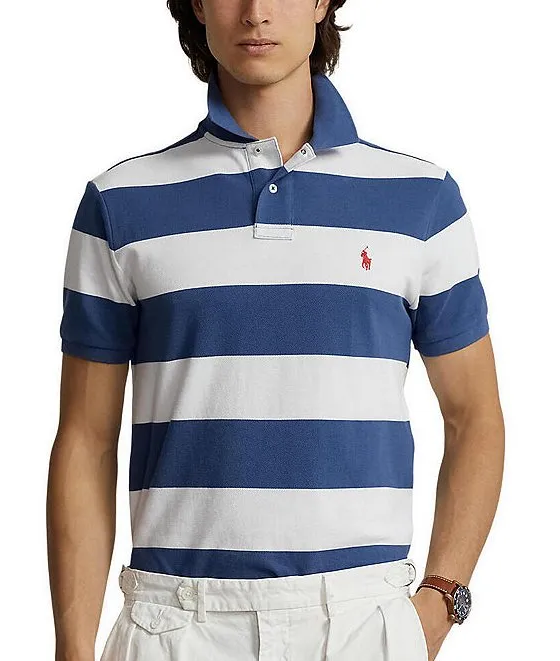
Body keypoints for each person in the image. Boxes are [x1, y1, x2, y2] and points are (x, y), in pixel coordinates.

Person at [47, 1, 505, 660]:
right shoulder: (120, 202)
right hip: (176, 625)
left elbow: (475, 415)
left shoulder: (421, 198)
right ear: (198, 4)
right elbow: (86, 440)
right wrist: (72, 648)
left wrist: (440, 599)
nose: (256, 12)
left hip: (360, 622)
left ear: (322, 2)